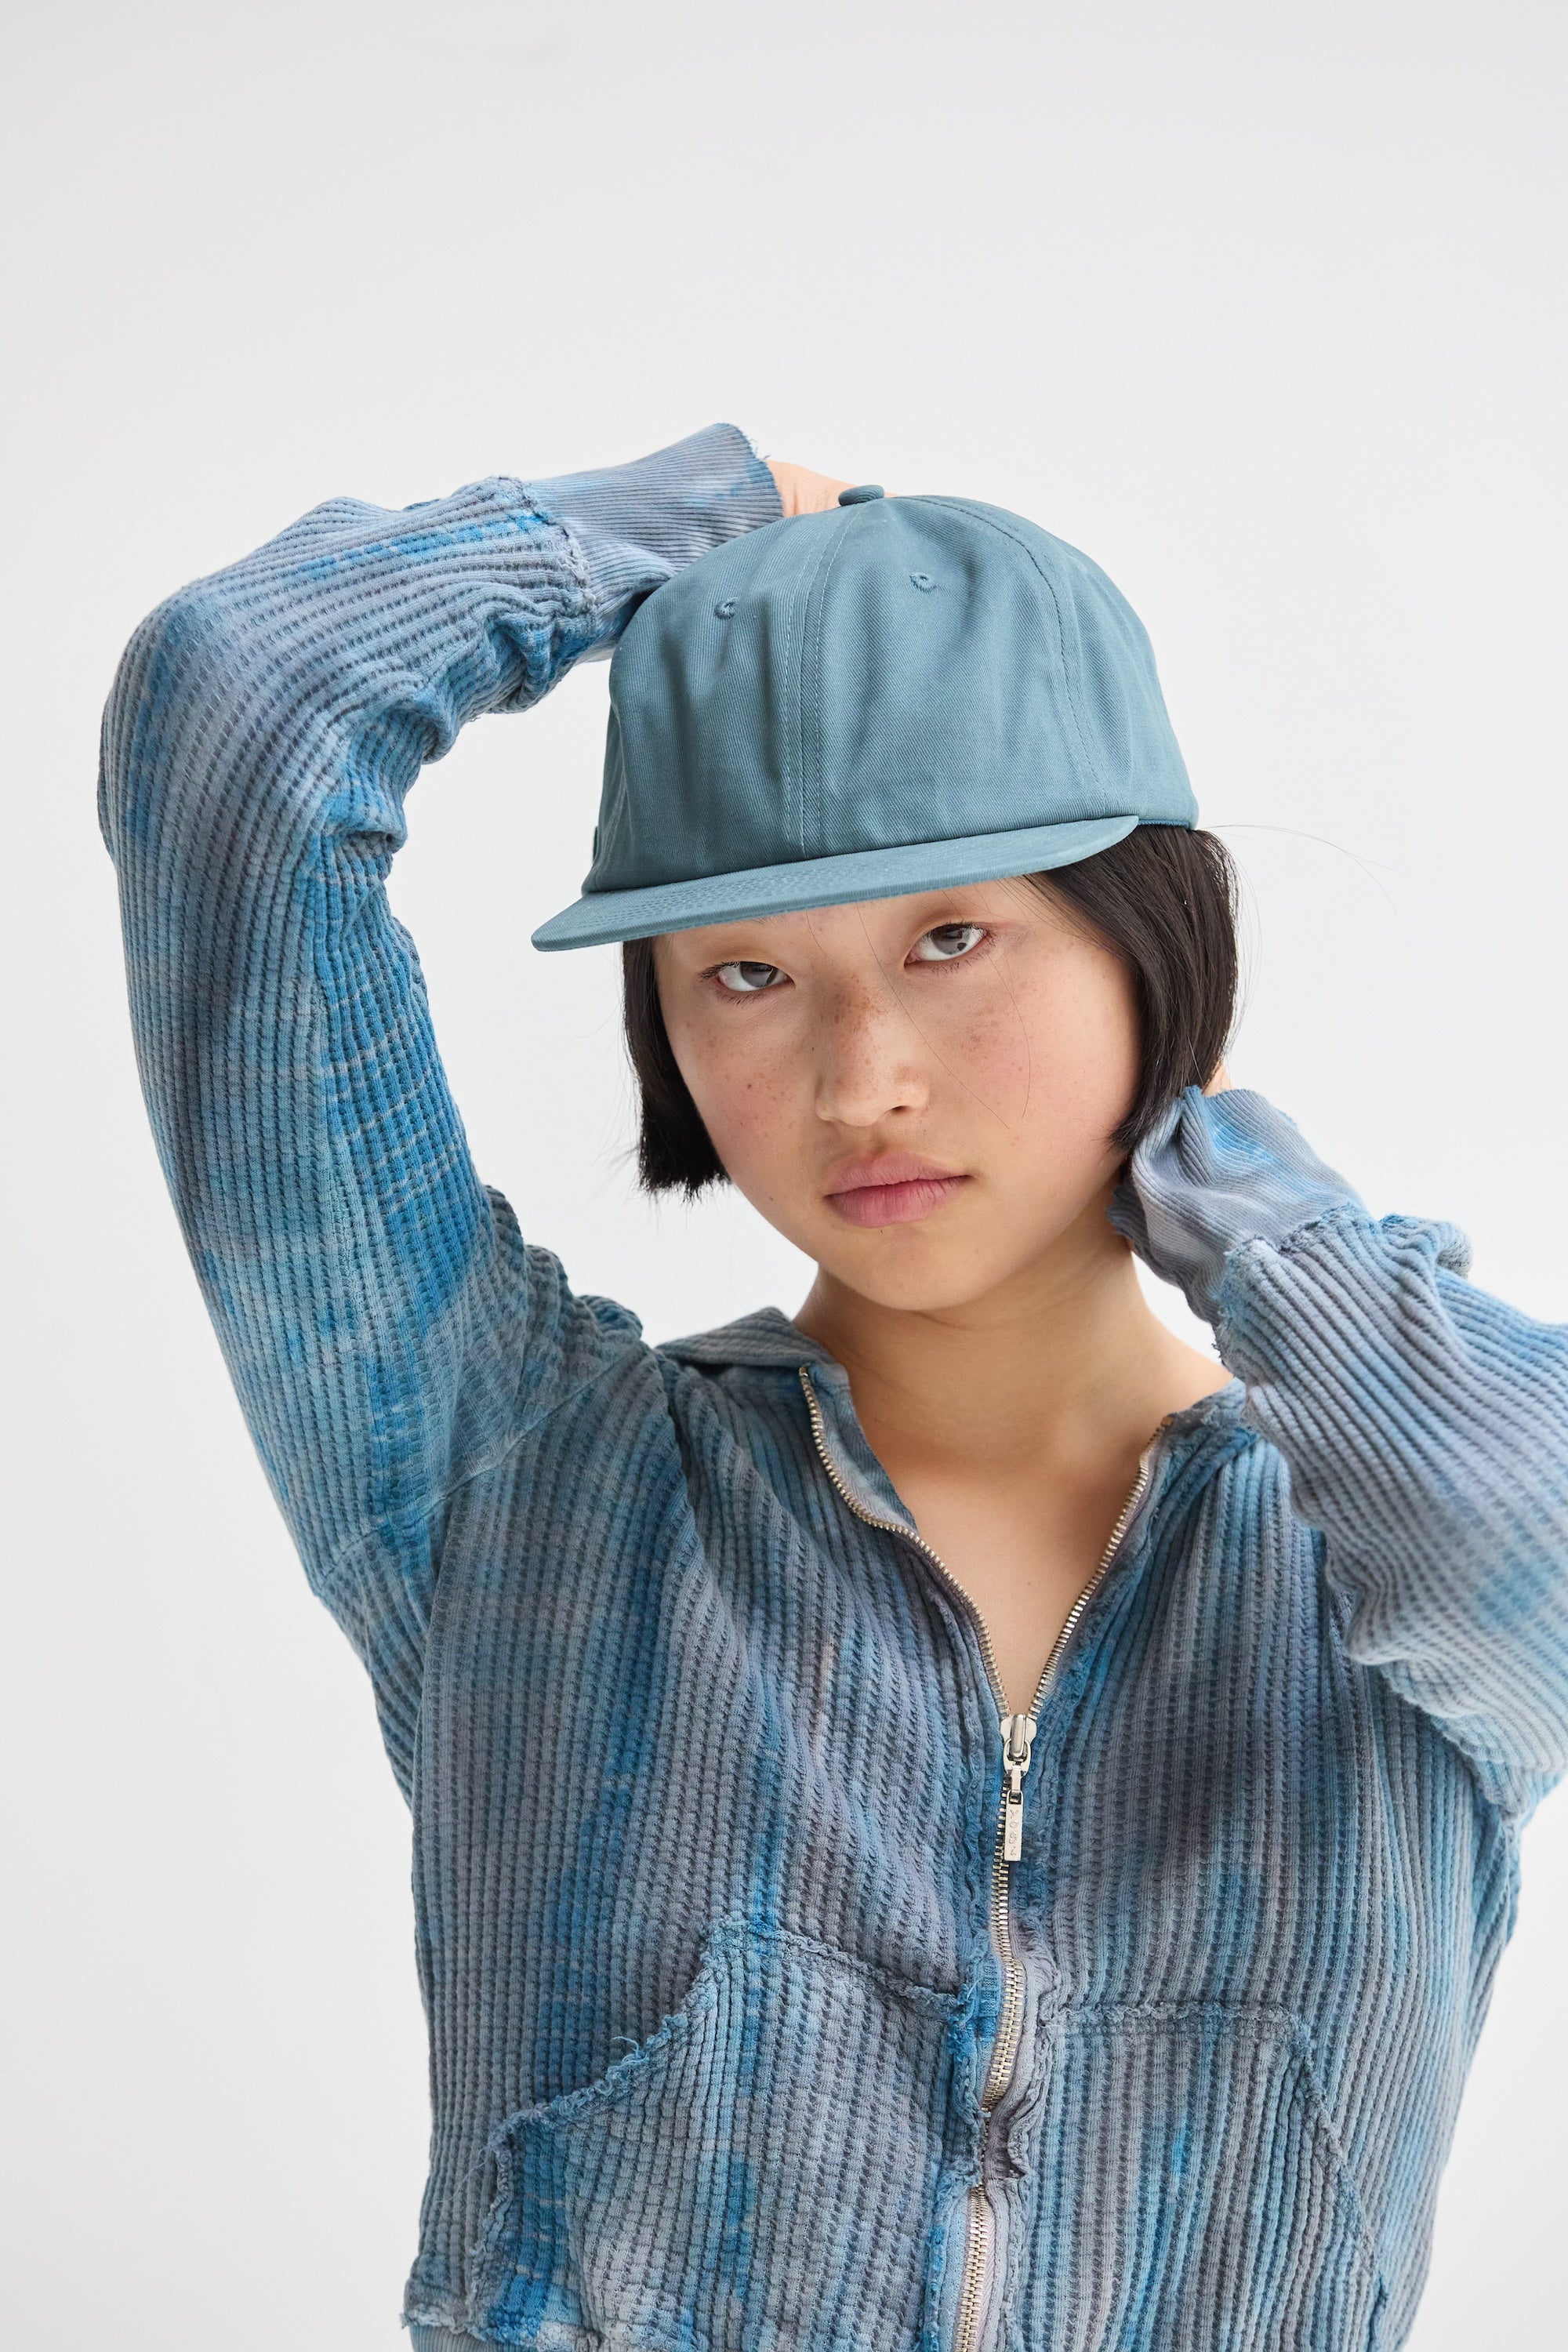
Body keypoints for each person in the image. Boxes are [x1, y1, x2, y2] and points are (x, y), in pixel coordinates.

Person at [101, 424, 1568, 2351]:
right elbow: (234, 714)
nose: (860, 1077)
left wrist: (1285, 1256)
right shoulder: (506, 1490)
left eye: (951, 938)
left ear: (1150, 941)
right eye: (744, 977)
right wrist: (677, 528)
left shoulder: (1372, 1588)